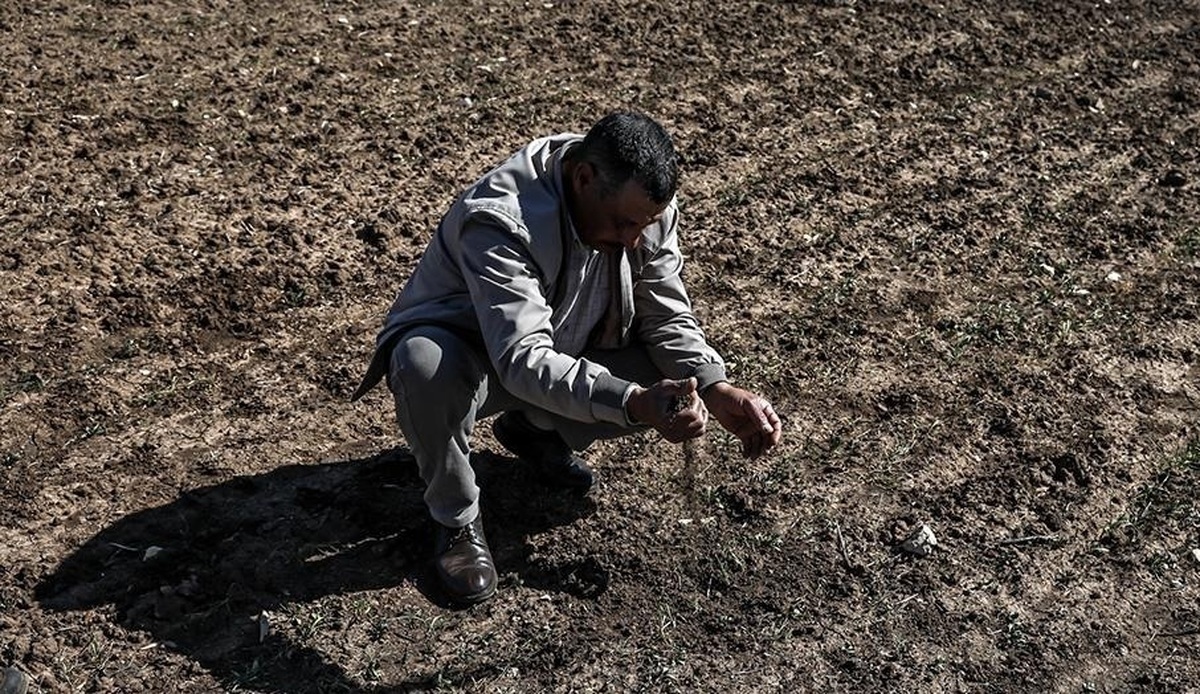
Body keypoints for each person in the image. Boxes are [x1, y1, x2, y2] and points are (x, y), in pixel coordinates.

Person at [352, 112, 782, 605]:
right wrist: (633, 401)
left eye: (643, 226)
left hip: (562, 342)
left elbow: (664, 314)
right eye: (623, 224)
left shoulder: (638, 203)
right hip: (479, 356)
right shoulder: (500, 219)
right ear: (583, 178)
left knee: (672, 379)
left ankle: (536, 430)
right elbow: (522, 357)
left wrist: (713, 385)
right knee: (422, 363)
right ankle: (457, 521)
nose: (632, 240)